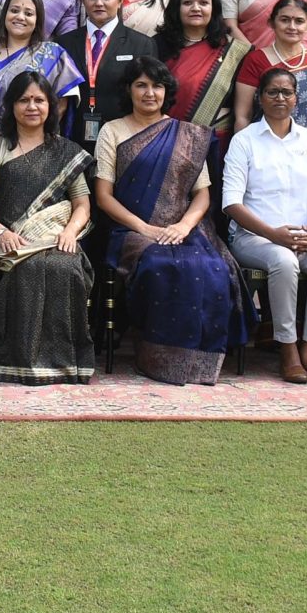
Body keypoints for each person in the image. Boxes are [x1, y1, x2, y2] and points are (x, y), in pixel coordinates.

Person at [96, 64, 240, 385]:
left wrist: (185, 226)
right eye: (142, 85)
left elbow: (202, 194)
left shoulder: (185, 134)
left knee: (211, 268)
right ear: (129, 90)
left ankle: (200, 364)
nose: (150, 93)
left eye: (157, 86)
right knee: (158, 265)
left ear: (167, 92)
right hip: (132, 230)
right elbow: (104, 196)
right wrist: (144, 229)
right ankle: (157, 359)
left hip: (184, 229)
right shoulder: (113, 131)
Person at [0, 70, 95, 385]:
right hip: (7, 240)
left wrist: (69, 233)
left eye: (39, 100)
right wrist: (3, 233)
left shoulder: (66, 152)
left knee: (64, 268)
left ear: (50, 106)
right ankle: (16, 362)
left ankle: (65, 364)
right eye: (23, 100)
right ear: (11, 106)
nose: (32, 106)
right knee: (24, 269)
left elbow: (82, 204)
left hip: (55, 238)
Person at [223, 67, 307, 383]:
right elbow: (231, 203)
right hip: (255, 237)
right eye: (272, 92)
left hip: (304, 236)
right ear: (260, 98)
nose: (279, 98)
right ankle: (287, 348)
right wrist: (273, 234)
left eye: (286, 92)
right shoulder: (244, 141)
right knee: (284, 261)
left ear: (296, 98)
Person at [231, 0, 307, 159]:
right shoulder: (256, 60)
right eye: (284, 20)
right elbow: (242, 115)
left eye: (299, 21)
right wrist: (244, 156)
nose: (292, 26)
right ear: (271, 23)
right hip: (265, 150)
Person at [55, 0, 160, 139]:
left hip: (125, 136)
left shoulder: (142, 45)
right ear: (83, 1)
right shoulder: (64, 44)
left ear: (119, 0)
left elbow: (150, 94)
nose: (98, 3)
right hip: (72, 137)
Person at [0, 0, 85, 137]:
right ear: (4, 16)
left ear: (37, 20)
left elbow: (62, 105)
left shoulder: (53, 53)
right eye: (14, 11)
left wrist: (37, 139)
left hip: (41, 142)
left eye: (28, 14)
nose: (20, 17)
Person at [152, 0, 245, 141]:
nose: (196, 8)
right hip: (166, 140)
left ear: (214, 8)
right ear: (176, 8)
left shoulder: (232, 50)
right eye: (187, 3)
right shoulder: (156, 45)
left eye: (203, 3)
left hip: (216, 143)